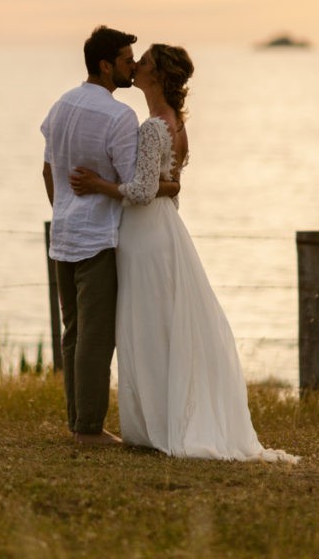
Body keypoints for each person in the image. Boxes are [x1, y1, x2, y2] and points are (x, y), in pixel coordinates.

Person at [70, 44, 300, 463]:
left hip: (144, 234)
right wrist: (158, 188)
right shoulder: (176, 124)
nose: (135, 65)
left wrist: (99, 184)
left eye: (144, 63)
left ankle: (158, 422)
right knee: (162, 322)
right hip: (166, 229)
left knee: (146, 325)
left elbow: (140, 192)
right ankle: (163, 416)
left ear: (156, 76)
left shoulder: (152, 127)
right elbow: (172, 186)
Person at [40, 25, 178, 446]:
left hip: (63, 235)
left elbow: (48, 170)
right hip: (99, 239)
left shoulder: (61, 104)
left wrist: (63, 210)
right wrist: (169, 186)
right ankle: (88, 430)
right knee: (96, 338)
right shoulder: (119, 116)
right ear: (105, 66)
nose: (131, 65)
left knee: (74, 332)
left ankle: (77, 421)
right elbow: (134, 182)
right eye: (124, 60)